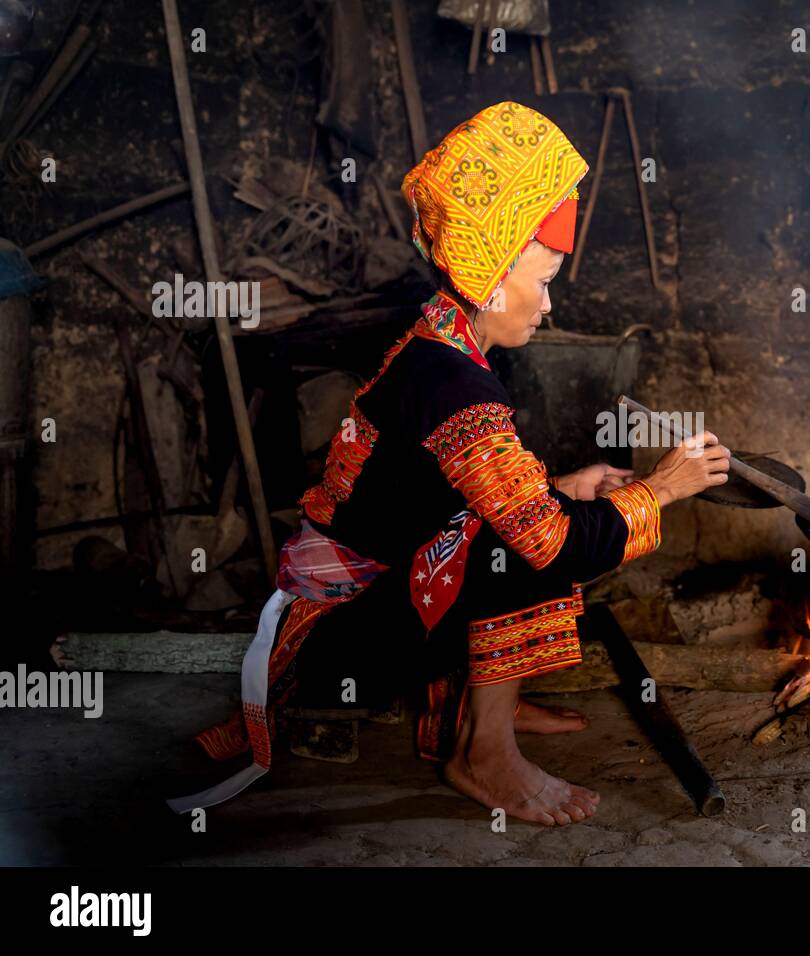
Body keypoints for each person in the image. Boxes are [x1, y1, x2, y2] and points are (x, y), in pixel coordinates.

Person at [168, 101, 730, 826]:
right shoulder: (453, 383)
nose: (549, 305)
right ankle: (482, 753)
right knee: (525, 547)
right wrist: (663, 488)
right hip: (342, 645)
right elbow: (545, 541)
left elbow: (434, 498)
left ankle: (487, 693)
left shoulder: (442, 346)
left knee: (529, 517)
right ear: (493, 280)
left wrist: (566, 484)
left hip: (372, 604)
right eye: (545, 279)